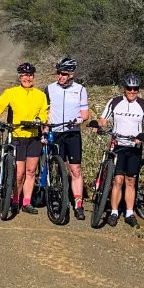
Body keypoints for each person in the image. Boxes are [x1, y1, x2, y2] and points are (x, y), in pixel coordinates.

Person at [0, 62, 49, 215]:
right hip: (17, 136)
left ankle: (26, 202)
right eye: (25, 75)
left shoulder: (40, 95)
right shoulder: (11, 92)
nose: (28, 78)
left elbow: (45, 112)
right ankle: (14, 200)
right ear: (20, 77)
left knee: (31, 171)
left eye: (30, 75)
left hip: (34, 137)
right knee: (19, 174)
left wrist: (40, 118)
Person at [93, 73, 144, 228]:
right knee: (118, 180)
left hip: (134, 146)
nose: (132, 92)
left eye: (135, 89)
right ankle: (114, 212)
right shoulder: (114, 102)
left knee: (131, 181)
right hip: (118, 145)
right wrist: (98, 125)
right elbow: (103, 119)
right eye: (129, 88)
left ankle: (129, 213)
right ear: (124, 88)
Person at [43, 57, 90, 220]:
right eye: (58, 73)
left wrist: (80, 119)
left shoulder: (80, 89)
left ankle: (78, 203)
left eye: (63, 74)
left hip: (72, 133)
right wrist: (44, 129)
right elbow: (45, 112)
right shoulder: (49, 89)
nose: (60, 76)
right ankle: (57, 197)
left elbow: (85, 114)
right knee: (56, 168)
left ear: (71, 75)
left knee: (75, 169)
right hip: (56, 132)